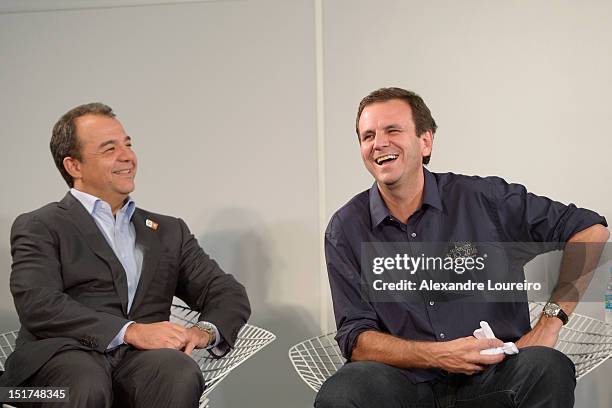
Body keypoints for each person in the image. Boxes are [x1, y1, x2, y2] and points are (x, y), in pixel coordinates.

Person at [315, 87, 609, 407]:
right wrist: (440, 356)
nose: (378, 143)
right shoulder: (345, 228)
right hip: (402, 384)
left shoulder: (484, 199)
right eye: (367, 135)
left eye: (392, 130)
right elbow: (356, 340)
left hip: (494, 375)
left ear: (425, 141)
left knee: (547, 367)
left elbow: (590, 229)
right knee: (343, 393)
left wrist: (550, 322)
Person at [0, 103, 251, 408]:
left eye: (127, 144)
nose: (127, 156)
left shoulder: (168, 231)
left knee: (178, 371)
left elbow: (226, 292)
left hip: (139, 365)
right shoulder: (41, 225)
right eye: (109, 149)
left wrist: (203, 331)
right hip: (62, 359)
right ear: (74, 166)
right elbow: (38, 303)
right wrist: (130, 332)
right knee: (84, 382)